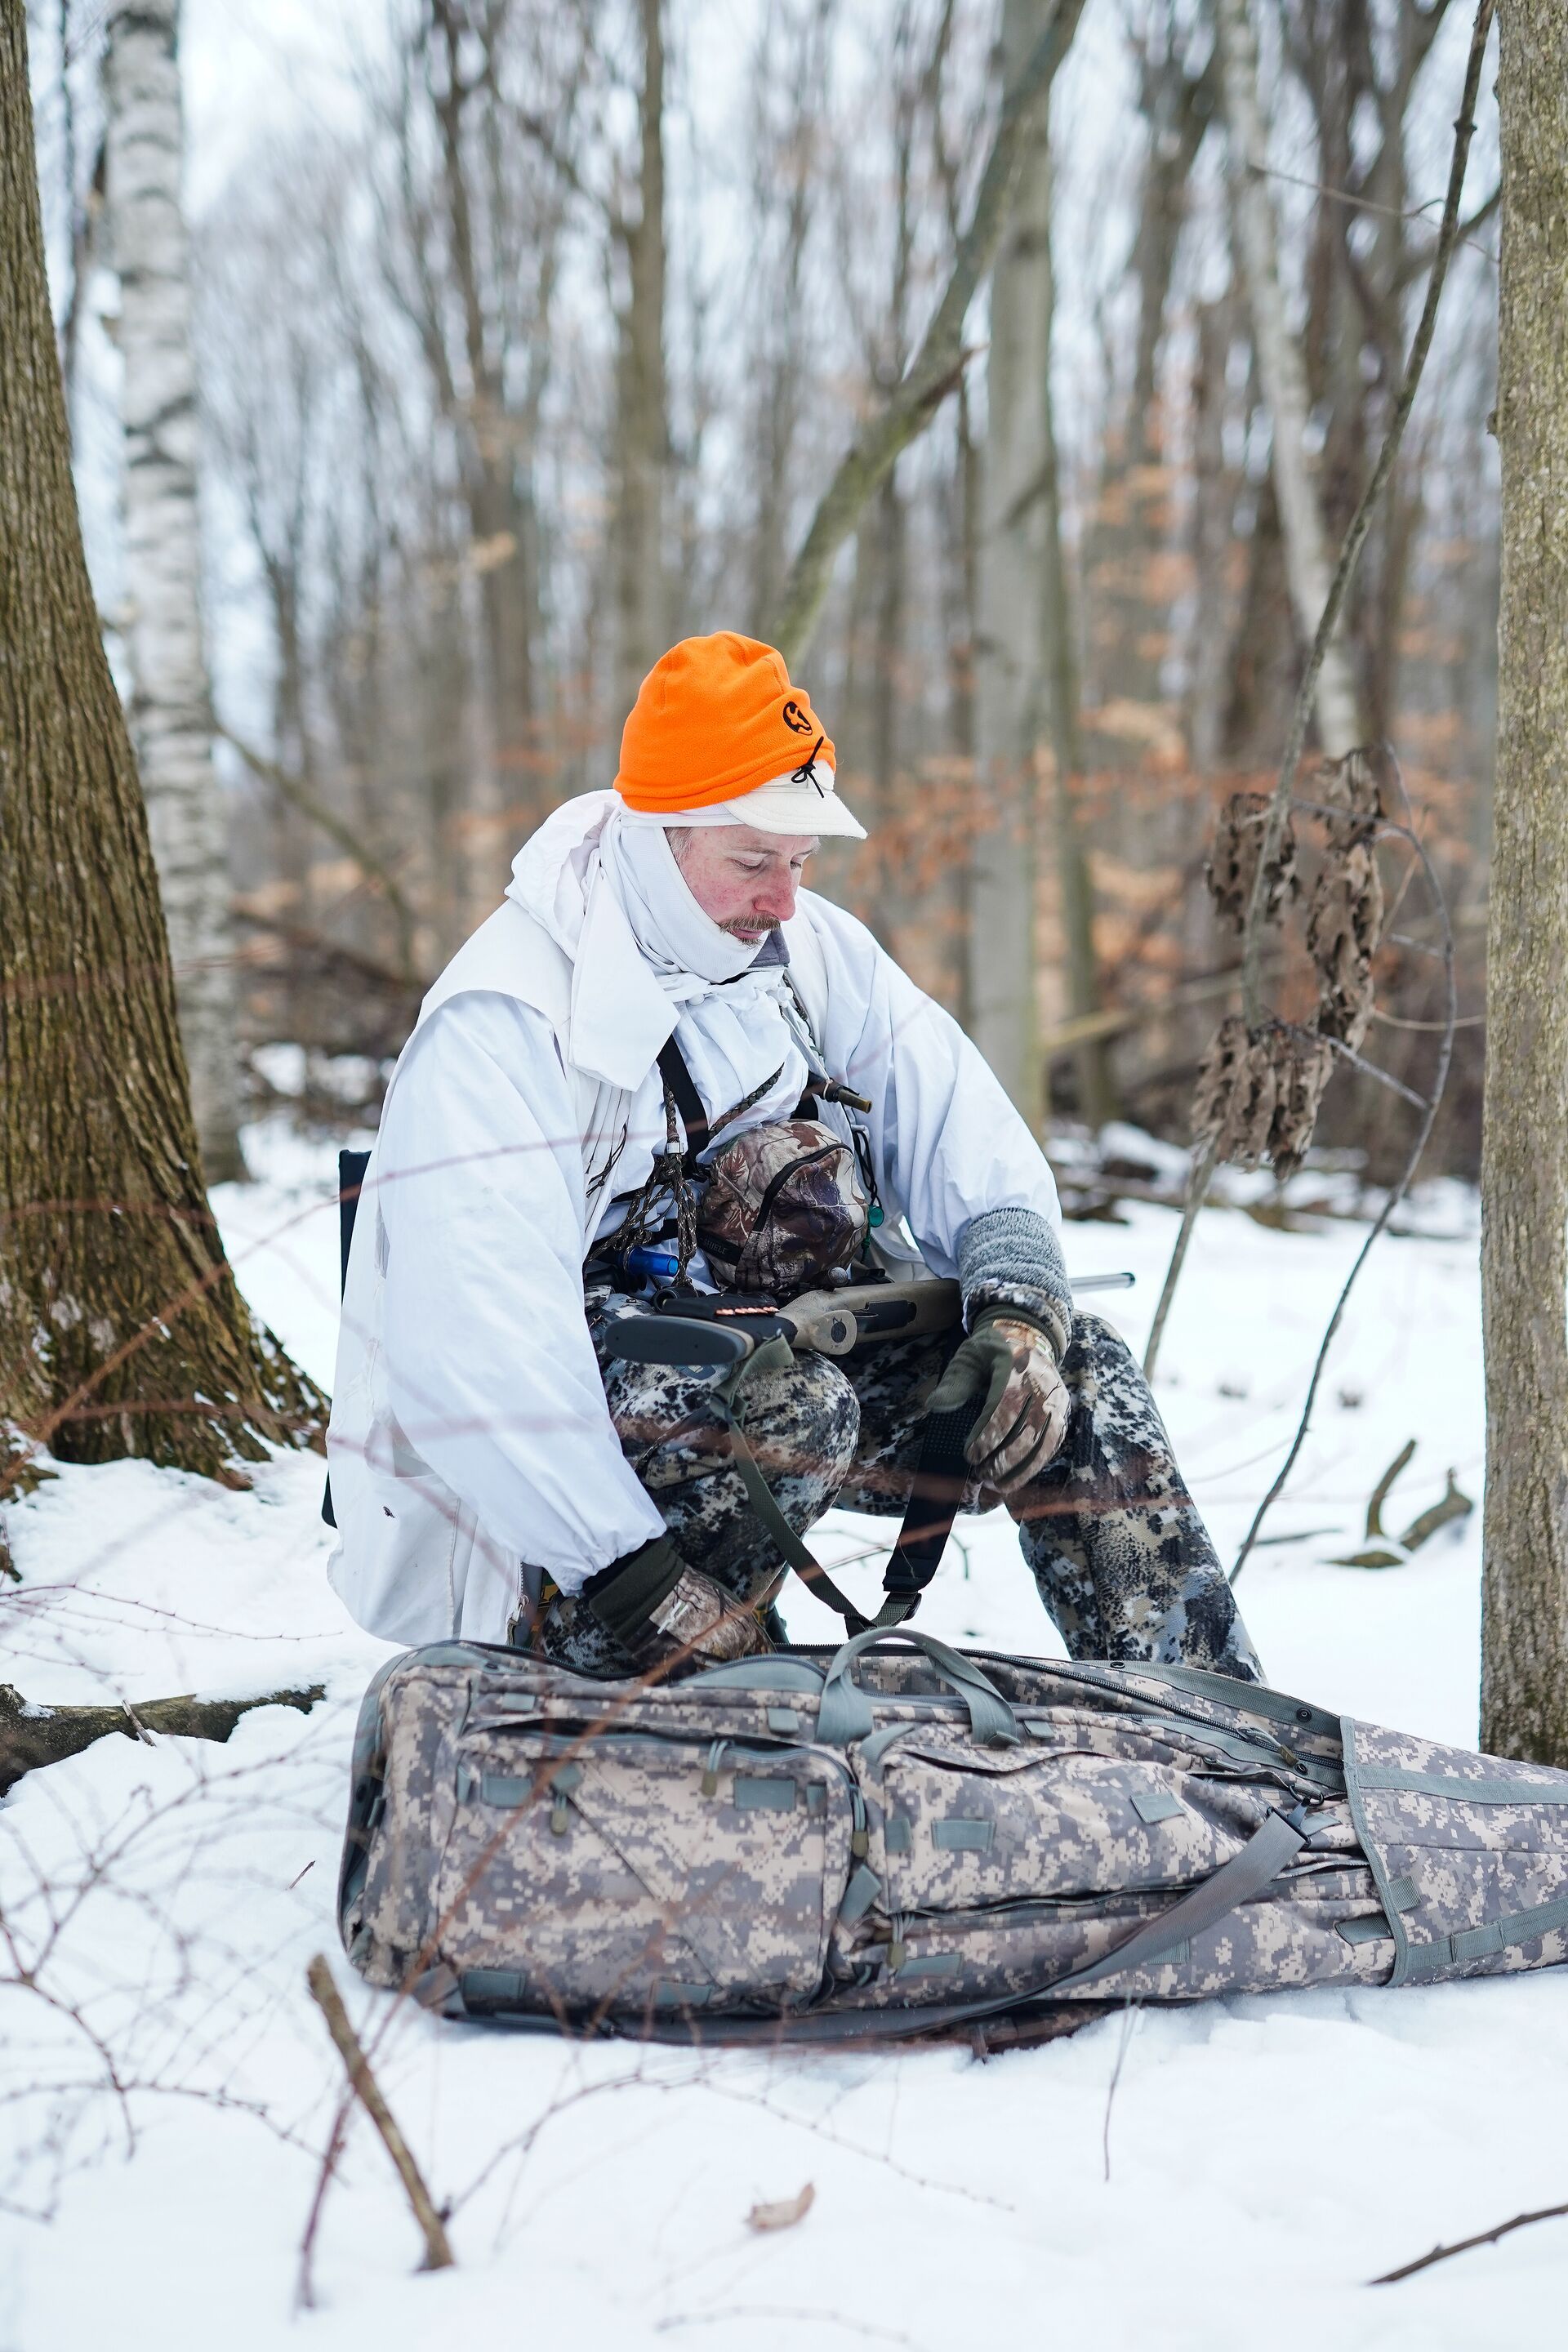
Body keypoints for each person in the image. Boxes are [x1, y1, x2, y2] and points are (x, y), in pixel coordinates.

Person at [326, 631, 1261, 1684]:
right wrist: (628, 1574)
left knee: (1074, 1373)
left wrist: (1017, 1307)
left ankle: (1213, 1735)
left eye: (801, 864)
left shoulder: (810, 953)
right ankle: (602, 1693)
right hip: (566, 1480)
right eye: (753, 862)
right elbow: (475, 1352)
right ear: (656, 835)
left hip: (789, 1358)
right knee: (789, 1412)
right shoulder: (505, 1017)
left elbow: (963, 1129)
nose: (783, 900)